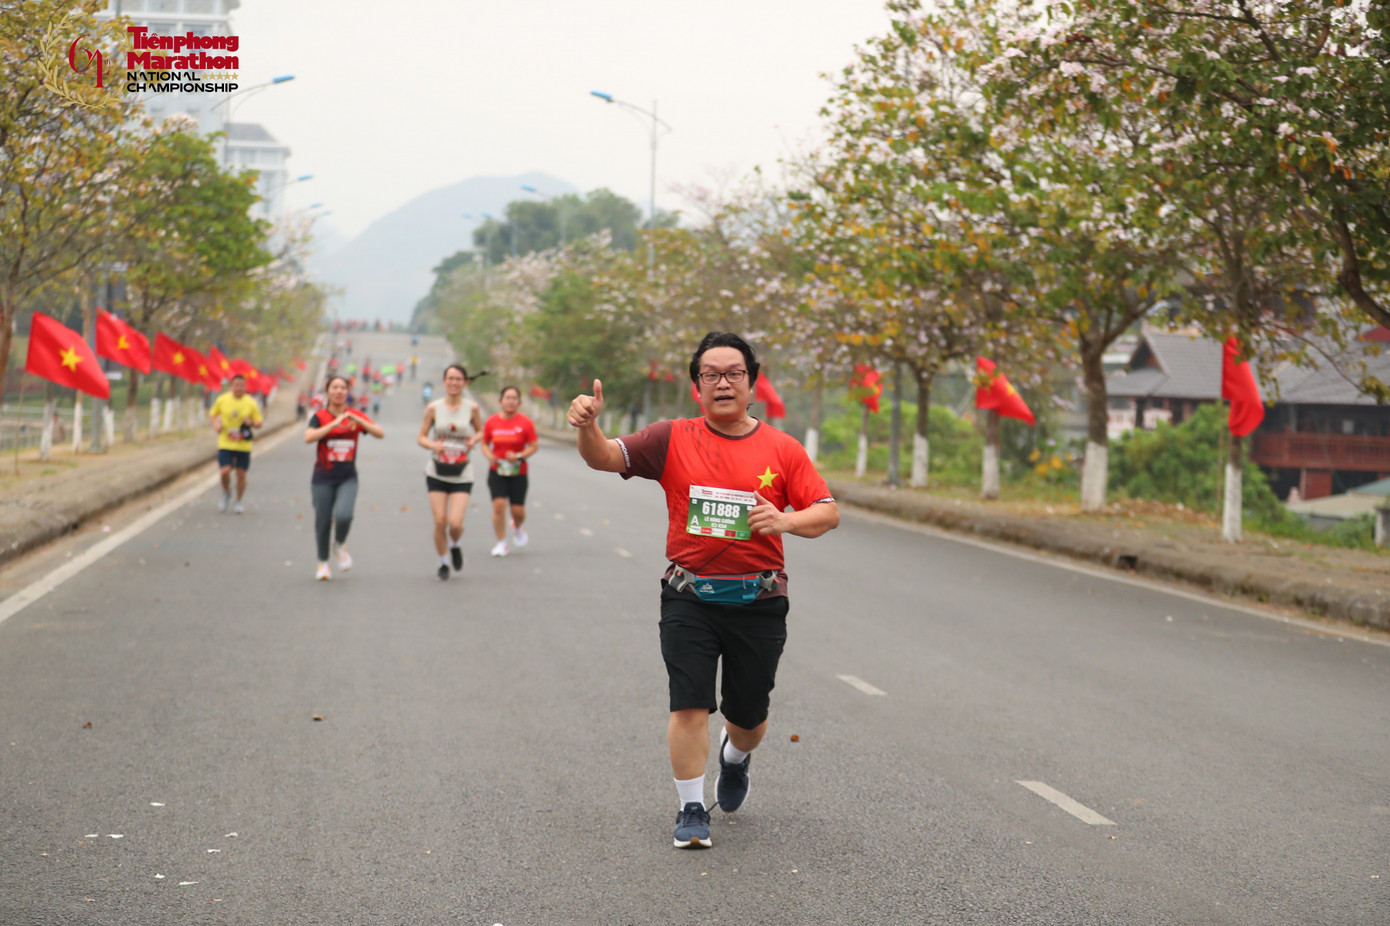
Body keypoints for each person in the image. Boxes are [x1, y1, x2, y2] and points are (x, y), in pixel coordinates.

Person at [567, 331, 838, 849]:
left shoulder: (783, 448)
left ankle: (735, 757)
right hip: (689, 596)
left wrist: (784, 519)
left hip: (758, 602)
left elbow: (828, 512)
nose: (722, 383)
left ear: (752, 385)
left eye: (734, 373)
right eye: (710, 375)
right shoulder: (671, 438)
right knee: (689, 705)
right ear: (696, 387)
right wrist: (589, 425)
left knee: (748, 718)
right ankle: (692, 808)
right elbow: (603, 457)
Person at [304, 374, 385, 580]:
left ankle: (339, 545)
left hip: (347, 477)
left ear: (348, 392)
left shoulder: (354, 415)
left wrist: (357, 420)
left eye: (343, 388)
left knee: (344, 515)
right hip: (322, 477)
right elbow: (309, 437)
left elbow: (379, 433)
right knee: (322, 521)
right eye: (334, 387)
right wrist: (334, 424)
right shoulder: (320, 416)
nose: (339, 391)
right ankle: (323, 563)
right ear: (328, 391)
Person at [417, 364, 484, 580]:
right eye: (450, 378)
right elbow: (422, 437)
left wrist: (475, 439)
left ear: (465, 382)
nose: (454, 383)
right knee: (440, 521)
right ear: (444, 381)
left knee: (455, 523)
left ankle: (455, 544)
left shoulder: (472, 408)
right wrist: (433, 445)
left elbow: (482, 430)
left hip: (462, 471)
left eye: (458, 379)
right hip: (437, 470)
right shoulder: (433, 408)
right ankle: (443, 562)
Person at [479, 385, 539, 557]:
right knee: (498, 506)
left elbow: (534, 446)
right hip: (497, 470)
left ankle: (518, 526)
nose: (511, 401)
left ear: (519, 402)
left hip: (518, 472)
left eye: (514, 398)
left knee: (517, 511)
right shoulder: (492, 422)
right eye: (507, 397)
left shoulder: (525, 423)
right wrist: (489, 455)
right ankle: (501, 543)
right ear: (500, 401)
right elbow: (484, 443)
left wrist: (520, 455)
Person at [209, 373, 264, 514]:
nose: (239, 388)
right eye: (236, 385)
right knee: (224, 471)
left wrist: (251, 422)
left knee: (241, 474)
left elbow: (259, 422)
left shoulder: (250, 402)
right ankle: (226, 493)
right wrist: (216, 425)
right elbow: (213, 414)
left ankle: (238, 500)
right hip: (225, 442)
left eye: (242, 385)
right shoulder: (222, 400)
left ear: (245, 387)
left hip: (243, 444)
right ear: (231, 386)